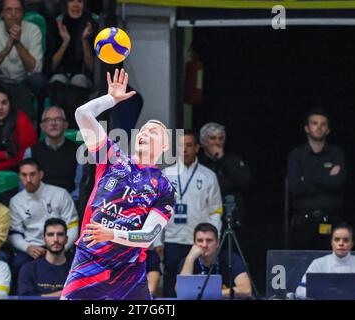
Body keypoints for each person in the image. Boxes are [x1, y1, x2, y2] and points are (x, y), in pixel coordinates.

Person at [60, 68, 176, 300]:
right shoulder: (113, 157)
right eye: (143, 130)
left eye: (153, 131)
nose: (145, 132)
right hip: (90, 259)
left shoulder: (164, 187)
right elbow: (82, 114)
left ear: (165, 147)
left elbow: (147, 237)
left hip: (129, 271)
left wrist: (110, 234)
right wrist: (111, 99)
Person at [157, 129, 222, 297]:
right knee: (171, 282)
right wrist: (158, 240)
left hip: (199, 241)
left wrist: (214, 238)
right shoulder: (166, 175)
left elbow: (215, 210)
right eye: (181, 145)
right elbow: (157, 211)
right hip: (172, 238)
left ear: (197, 148)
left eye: (189, 145)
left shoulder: (208, 176)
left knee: (198, 281)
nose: (185, 149)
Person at [287, 108, 346, 250]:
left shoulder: (336, 153)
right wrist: (326, 178)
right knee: (301, 265)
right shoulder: (297, 155)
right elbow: (295, 187)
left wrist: (306, 178)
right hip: (303, 222)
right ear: (306, 128)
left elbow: (338, 182)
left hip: (331, 222)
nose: (319, 127)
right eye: (315, 123)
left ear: (328, 130)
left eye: (323, 124)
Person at [9, 158, 78, 277]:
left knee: (76, 265)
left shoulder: (60, 194)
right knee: (17, 264)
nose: (28, 179)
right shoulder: (16, 201)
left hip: (59, 244)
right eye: (24, 175)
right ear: (19, 176)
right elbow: (14, 233)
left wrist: (62, 247)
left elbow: (73, 226)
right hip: (32, 247)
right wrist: (27, 247)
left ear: (40, 174)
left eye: (32, 174)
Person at [0, 0, 48, 119]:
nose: (13, 14)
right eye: (9, 10)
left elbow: (35, 69)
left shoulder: (33, 30)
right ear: (2, 14)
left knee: (39, 80)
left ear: (23, 14)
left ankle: (38, 126)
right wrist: (6, 50)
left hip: (24, 80)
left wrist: (17, 43)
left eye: (17, 10)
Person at [198, 122, 251, 228]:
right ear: (203, 142)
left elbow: (244, 181)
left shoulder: (233, 160)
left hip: (230, 214)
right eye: (213, 138)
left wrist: (221, 159)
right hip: (203, 214)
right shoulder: (198, 162)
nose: (217, 142)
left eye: (220, 138)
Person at [179, 223, 252, 299]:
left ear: (217, 243)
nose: (204, 245)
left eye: (209, 240)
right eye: (200, 241)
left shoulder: (231, 258)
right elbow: (180, 291)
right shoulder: (188, 260)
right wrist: (190, 258)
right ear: (194, 243)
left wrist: (206, 294)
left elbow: (246, 290)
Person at [24, 106, 81, 195]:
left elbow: (80, 188)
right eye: (48, 120)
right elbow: (26, 186)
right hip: (39, 201)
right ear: (42, 126)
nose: (53, 123)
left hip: (69, 202)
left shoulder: (79, 151)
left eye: (58, 119)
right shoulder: (31, 152)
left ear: (66, 125)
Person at [295, 222, 355, 299]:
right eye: (337, 239)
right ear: (331, 242)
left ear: (352, 244)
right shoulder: (318, 263)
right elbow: (300, 291)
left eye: (346, 240)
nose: (341, 243)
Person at [46, 0, 97, 89]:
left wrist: (85, 41)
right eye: (71, 1)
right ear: (66, 4)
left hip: (83, 76)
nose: (75, 5)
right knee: (57, 80)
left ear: (84, 4)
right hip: (61, 74)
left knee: (78, 79)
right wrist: (65, 43)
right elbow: (50, 67)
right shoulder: (57, 25)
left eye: (79, 1)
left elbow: (92, 68)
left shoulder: (92, 25)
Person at [17, 217, 73, 296]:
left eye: (60, 234)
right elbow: (25, 298)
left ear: (66, 239)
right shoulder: (29, 269)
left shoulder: (76, 269)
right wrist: (64, 294)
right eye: (50, 235)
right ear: (44, 239)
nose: (55, 239)